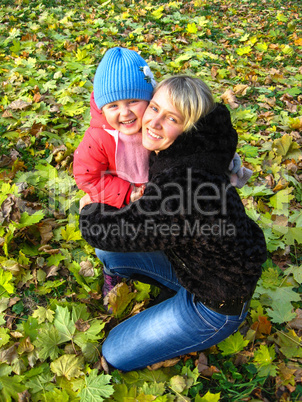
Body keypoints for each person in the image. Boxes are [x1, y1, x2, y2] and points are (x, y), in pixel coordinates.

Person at [79, 75, 267, 372]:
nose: (153, 122)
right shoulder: (195, 143)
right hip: (190, 263)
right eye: (153, 108)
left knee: (113, 352)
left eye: (171, 118)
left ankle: (191, 320)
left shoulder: (186, 182)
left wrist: (89, 212)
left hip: (215, 302)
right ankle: (169, 293)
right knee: (109, 254)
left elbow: (120, 231)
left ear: (190, 124)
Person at [73, 47, 156, 297]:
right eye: (113, 105)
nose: (125, 112)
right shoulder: (98, 138)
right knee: (107, 234)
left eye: (133, 101)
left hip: (156, 192)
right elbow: (87, 176)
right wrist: (125, 192)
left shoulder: (158, 124)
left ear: (150, 100)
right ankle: (114, 270)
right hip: (118, 198)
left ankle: (157, 266)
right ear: (101, 108)